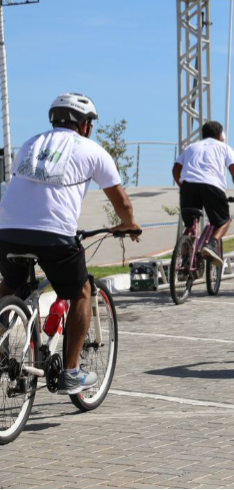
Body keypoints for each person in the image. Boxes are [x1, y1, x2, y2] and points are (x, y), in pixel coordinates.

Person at [0, 93, 141, 395]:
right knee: (82, 292)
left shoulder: (30, 144)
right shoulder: (92, 149)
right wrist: (129, 225)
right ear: (86, 125)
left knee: (10, 288)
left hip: (7, 230)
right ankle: (71, 373)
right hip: (53, 236)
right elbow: (123, 204)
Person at [171, 120, 234, 266]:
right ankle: (211, 244)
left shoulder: (191, 147)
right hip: (212, 186)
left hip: (189, 186)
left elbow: (175, 169)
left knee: (191, 226)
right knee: (223, 221)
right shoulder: (224, 147)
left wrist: (182, 185)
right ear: (220, 135)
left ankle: (185, 260)